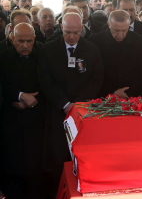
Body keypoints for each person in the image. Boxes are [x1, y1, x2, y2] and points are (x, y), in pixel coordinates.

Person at [37, 12, 104, 196]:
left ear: (82, 28)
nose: (72, 37)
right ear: (61, 28)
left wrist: (77, 105)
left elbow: (96, 79)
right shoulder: (48, 50)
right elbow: (45, 80)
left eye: (76, 32)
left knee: (81, 158)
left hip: (82, 113)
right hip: (57, 111)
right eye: (67, 32)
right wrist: (64, 103)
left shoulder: (92, 50)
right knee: (57, 159)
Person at [0, 23, 47, 199]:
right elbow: (2, 85)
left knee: (35, 164)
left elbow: (49, 83)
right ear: (12, 39)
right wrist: (21, 96)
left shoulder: (42, 55)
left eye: (29, 41)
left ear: (35, 39)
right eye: (20, 41)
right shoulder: (2, 57)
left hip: (36, 118)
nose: (25, 45)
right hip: (10, 118)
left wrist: (32, 101)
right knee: (11, 162)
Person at [89, 10, 142, 99]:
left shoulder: (139, 41)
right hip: (102, 96)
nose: (120, 35)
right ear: (109, 25)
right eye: (116, 30)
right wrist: (112, 91)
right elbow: (93, 73)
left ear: (129, 26)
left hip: (132, 96)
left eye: (124, 30)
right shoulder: (95, 41)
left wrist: (128, 92)